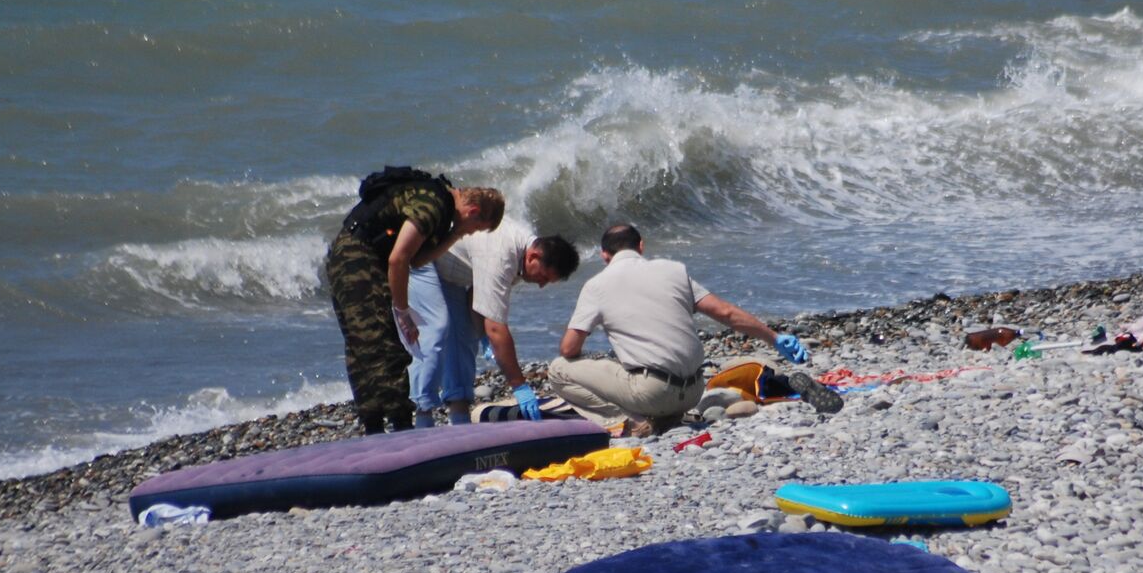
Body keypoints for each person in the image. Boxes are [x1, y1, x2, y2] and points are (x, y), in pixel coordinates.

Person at [551, 223, 819, 434]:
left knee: (559, 368)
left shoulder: (597, 285)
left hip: (652, 394)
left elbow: (569, 348)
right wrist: (774, 338)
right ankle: (661, 416)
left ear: (604, 255)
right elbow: (726, 313)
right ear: (641, 246)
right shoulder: (675, 271)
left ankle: (626, 421)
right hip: (693, 392)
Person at [325, 171, 504, 435]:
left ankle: (376, 426)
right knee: (382, 346)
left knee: (365, 346)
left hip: (355, 256)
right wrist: (402, 311)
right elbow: (398, 259)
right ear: (474, 211)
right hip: (357, 258)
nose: (471, 234)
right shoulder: (434, 203)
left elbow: (416, 261)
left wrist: (455, 235)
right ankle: (399, 427)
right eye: (476, 228)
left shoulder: (442, 211)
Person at [406, 221, 581, 426]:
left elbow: (477, 297)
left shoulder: (521, 258)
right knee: (437, 331)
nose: (541, 285)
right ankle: (422, 416)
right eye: (543, 277)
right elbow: (496, 328)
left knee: (465, 336)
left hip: (452, 272)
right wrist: (519, 386)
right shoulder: (501, 257)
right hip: (421, 257)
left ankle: (459, 416)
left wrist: (481, 335)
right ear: (534, 257)